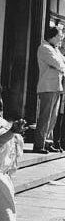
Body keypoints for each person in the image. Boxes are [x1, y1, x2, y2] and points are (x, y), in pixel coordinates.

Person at [34, 26, 65, 154]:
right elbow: (58, 63)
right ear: (52, 36)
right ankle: (39, 144)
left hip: (56, 86)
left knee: (53, 116)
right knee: (45, 116)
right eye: (59, 36)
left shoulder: (55, 49)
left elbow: (61, 63)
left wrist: (59, 66)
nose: (60, 39)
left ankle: (48, 142)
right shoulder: (44, 48)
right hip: (47, 87)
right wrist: (59, 66)